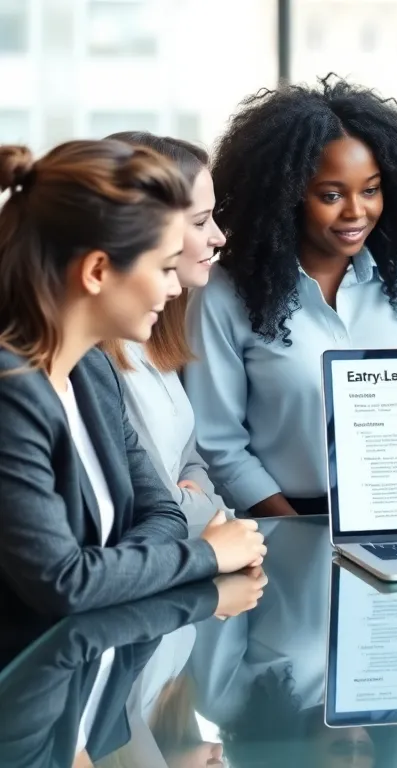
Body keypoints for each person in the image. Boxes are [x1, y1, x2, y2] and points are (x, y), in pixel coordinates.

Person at [0, 141, 265, 668]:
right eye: (164, 268)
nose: (173, 290)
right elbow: (65, 581)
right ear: (98, 271)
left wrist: (123, 562)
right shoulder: (11, 394)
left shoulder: (92, 372)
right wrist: (207, 555)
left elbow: (161, 511)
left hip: (74, 679)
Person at [186, 75, 397, 517]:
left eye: (371, 189)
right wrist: (294, 531)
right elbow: (218, 444)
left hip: (391, 515)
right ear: (287, 196)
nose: (356, 211)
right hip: (280, 521)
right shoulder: (224, 294)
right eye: (331, 195)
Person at [101, 131, 229, 525]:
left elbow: (190, 461)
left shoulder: (153, 334)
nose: (218, 237)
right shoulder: (95, 361)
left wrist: (207, 510)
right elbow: (153, 504)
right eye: (201, 221)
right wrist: (215, 518)